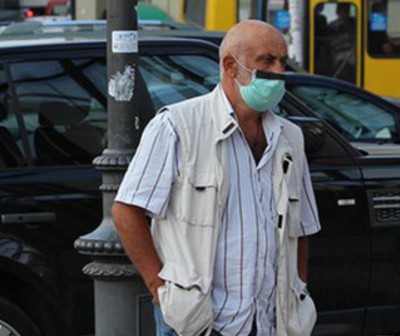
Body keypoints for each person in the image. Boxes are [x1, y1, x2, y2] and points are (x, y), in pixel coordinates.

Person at [112, 20, 321, 336]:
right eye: (267, 61)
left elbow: (302, 227)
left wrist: (298, 288)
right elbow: (127, 210)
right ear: (230, 66)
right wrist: (162, 289)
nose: (279, 72)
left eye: (283, 61)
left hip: (269, 321)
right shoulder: (178, 126)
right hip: (200, 323)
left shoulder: (289, 137)